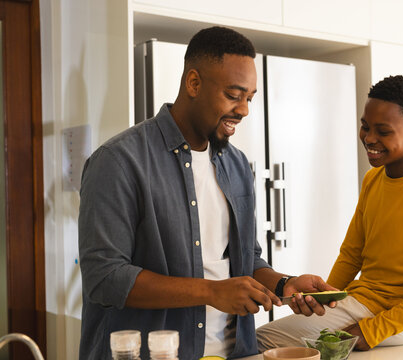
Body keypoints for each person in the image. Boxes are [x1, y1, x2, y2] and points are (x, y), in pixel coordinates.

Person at [78, 26, 336, 360]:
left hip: (235, 352)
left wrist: (283, 284)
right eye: (233, 95)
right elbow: (106, 277)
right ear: (194, 83)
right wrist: (211, 292)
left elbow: (246, 258)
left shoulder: (237, 164)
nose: (243, 110)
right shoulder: (118, 161)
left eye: (249, 98)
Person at [257, 75, 403, 351]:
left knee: (260, 341)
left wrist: (371, 331)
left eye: (383, 131)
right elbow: (352, 253)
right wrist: (325, 299)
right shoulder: (373, 179)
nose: (369, 138)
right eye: (365, 127)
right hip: (361, 303)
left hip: (396, 321)